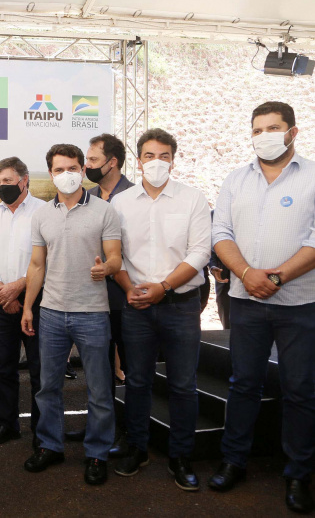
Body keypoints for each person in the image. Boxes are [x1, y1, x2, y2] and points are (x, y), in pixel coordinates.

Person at [209, 101, 315, 513]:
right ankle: (233, 461)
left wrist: (276, 277)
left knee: (301, 390)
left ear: (292, 132)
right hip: (246, 301)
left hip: (301, 304)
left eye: (273, 128)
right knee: (243, 385)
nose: (264, 136)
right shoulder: (236, 179)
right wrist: (247, 272)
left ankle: (298, 473)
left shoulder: (312, 177)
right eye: (257, 129)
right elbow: (220, 231)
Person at [109, 129, 211, 491]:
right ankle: (137, 448)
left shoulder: (193, 199)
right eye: (149, 155)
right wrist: (130, 290)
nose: (156, 162)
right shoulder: (121, 203)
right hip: (135, 305)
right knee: (136, 381)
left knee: (184, 384)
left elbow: (199, 253)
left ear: (173, 159)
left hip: (180, 305)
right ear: (138, 160)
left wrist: (163, 287)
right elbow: (113, 254)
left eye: (164, 155)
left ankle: (181, 456)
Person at [21, 143, 121, 486]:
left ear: (82, 169)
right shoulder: (42, 215)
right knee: (47, 387)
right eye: (60, 169)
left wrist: (105, 268)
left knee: (99, 389)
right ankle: (50, 445)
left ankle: (97, 453)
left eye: (73, 167)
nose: (67, 174)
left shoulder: (105, 211)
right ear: (50, 174)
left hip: (92, 313)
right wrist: (28, 307)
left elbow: (116, 258)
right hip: (50, 312)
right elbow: (36, 265)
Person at [68, 133, 134, 453]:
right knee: (97, 371)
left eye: (92, 161)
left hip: (127, 298)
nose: (87, 166)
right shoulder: (87, 198)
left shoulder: (136, 198)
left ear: (113, 162)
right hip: (92, 300)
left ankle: (129, 432)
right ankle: (98, 427)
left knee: (132, 371)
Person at [0, 157, 45, 448]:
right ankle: (8, 425)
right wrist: (3, 292)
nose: (2, 186)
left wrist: (19, 288)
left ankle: (43, 430)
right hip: (1, 302)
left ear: (24, 179)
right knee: (4, 368)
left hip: (38, 302)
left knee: (40, 370)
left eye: (7, 180)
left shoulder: (44, 211)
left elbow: (47, 258)